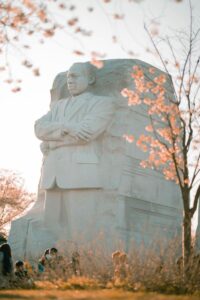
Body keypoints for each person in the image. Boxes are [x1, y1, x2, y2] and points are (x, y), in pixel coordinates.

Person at [34, 62, 115, 238]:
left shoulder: (102, 103)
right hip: (53, 177)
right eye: (69, 76)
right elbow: (38, 128)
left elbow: (87, 133)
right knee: (50, 234)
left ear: (91, 78)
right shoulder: (58, 106)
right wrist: (67, 127)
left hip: (82, 176)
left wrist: (52, 141)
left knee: (82, 233)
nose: (70, 80)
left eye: (75, 76)